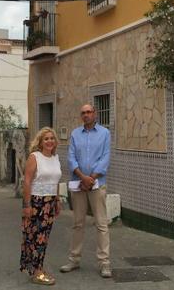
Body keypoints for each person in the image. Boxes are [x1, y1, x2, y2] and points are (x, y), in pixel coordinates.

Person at [60, 104, 112, 278]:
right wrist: (83, 178)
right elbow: (71, 157)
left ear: (95, 114)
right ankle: (74, 260)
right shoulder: (75, 134)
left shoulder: (105, 133)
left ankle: (104, 263)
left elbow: (105, 158)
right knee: (78, 223)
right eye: (83, 113)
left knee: (101, 224)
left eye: (89, 112)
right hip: (79, 184)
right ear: (81, 116)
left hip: (97, 184)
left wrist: (92, 178)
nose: (86, 115)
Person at [20, 127, 62, 285]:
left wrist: (57, 200)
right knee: (35, 238)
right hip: (36, 202)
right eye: (46, 139)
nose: (50, 141)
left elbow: (56, 181)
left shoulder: (55, 158)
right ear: (40, 141)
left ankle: (39, 267)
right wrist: (27, 205)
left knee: (44, 238)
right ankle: (36, 272)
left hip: (50, 203)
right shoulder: (34, 157)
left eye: (52, 138)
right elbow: (27, 181)